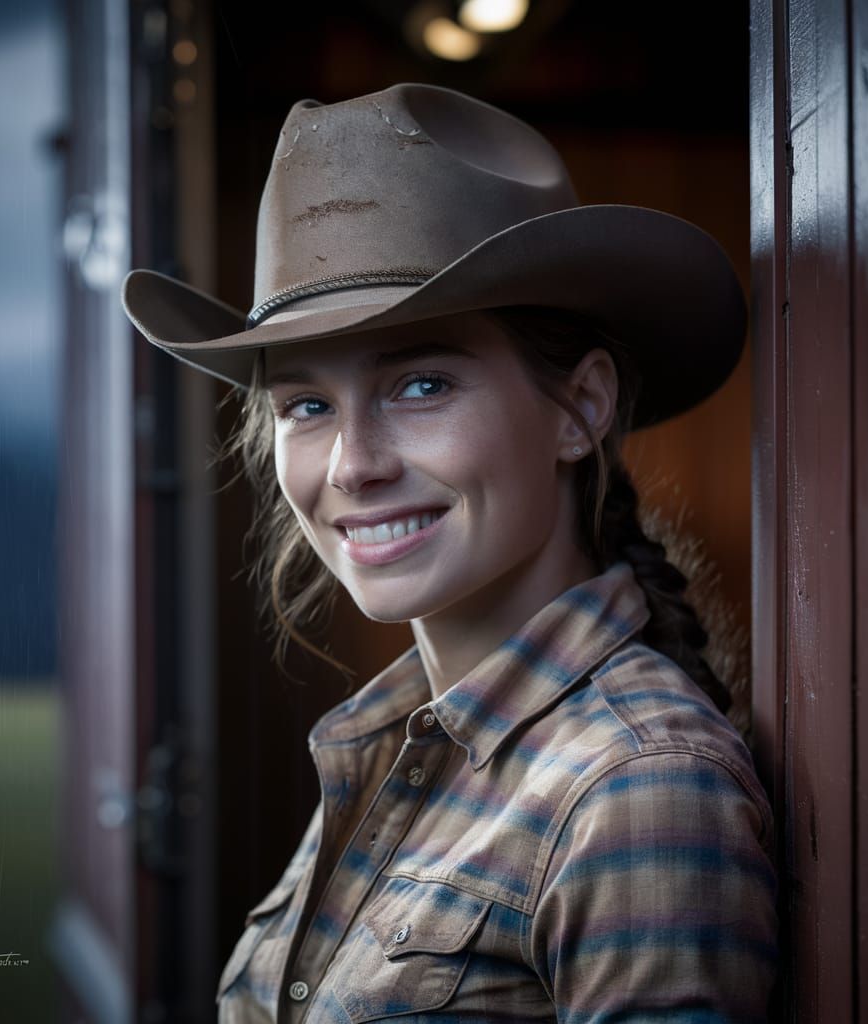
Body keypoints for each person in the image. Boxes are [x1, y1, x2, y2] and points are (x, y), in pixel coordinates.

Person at [122, 84, 778, 1023]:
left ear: (580, 409)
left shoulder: (637, 790)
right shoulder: (394, 748)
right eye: (306, 405)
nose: (353, 466)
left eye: (421, 383)